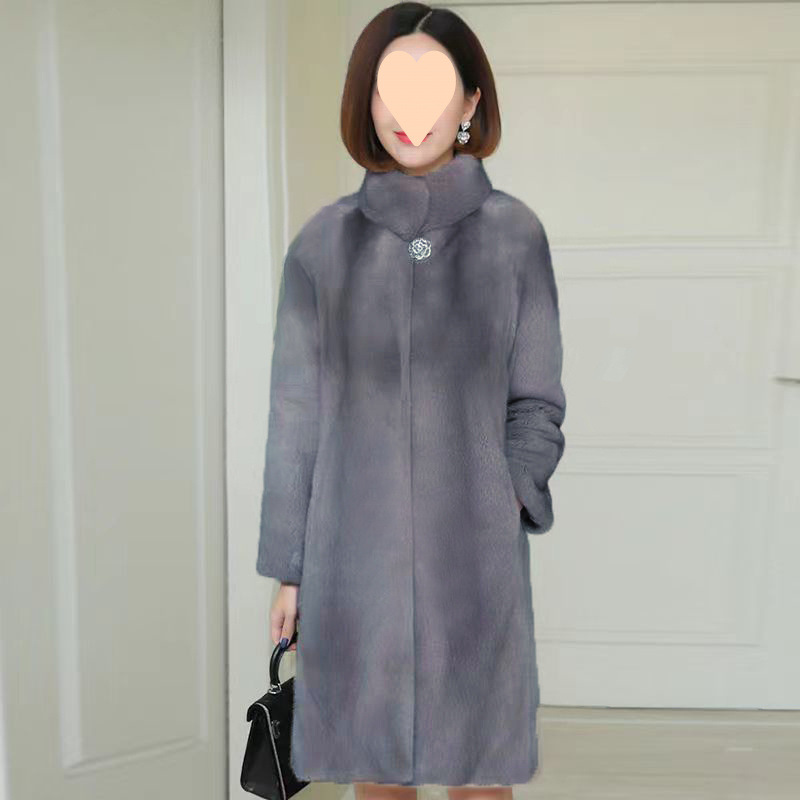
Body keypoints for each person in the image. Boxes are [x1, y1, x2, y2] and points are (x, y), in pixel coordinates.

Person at [257, 3, 567, 796]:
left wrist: (504, 493)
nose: (412, 111)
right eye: (391, 87)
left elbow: (536, 400)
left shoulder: (514, 237)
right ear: (366, 101)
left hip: (475, 563)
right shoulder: (321, 247)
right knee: (376, 772)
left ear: (471, 101)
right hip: (351, 562)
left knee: (480, 771)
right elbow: (295, 418)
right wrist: (291, 571)